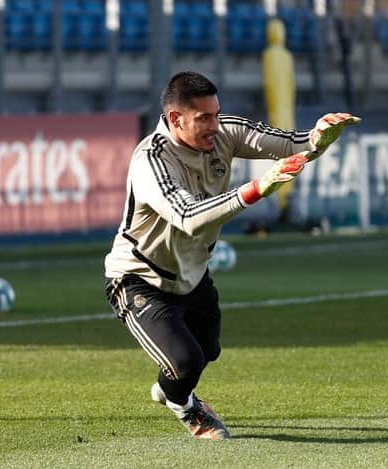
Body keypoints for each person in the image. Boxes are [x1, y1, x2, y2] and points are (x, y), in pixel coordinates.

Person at [104, 71, 360, 440]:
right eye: (204, 118)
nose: (215, 126)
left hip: (193, 274)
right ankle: (186, 407)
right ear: (176, 119)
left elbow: (292, 145)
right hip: (140, 278)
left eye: (217, 114)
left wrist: (318, 139)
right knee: (185, 361)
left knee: (207, 350)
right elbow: (188, 217)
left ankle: (170, 387)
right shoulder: (151, 160)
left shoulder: (224, 132)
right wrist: (256, 189)